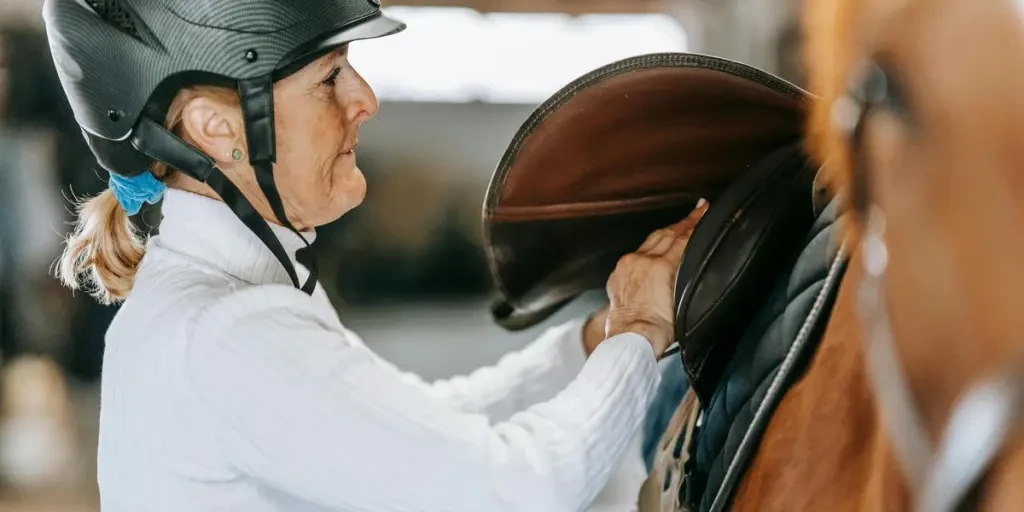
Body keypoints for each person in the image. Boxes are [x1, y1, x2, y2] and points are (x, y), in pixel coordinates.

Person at [43, 1, 703, 510]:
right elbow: (518, 488)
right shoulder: (229, 334)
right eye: (330, 79)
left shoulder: (225, 303)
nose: (366, 99)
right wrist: (644, 334)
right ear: (218, 131)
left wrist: (596, 340)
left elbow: (425, 427)